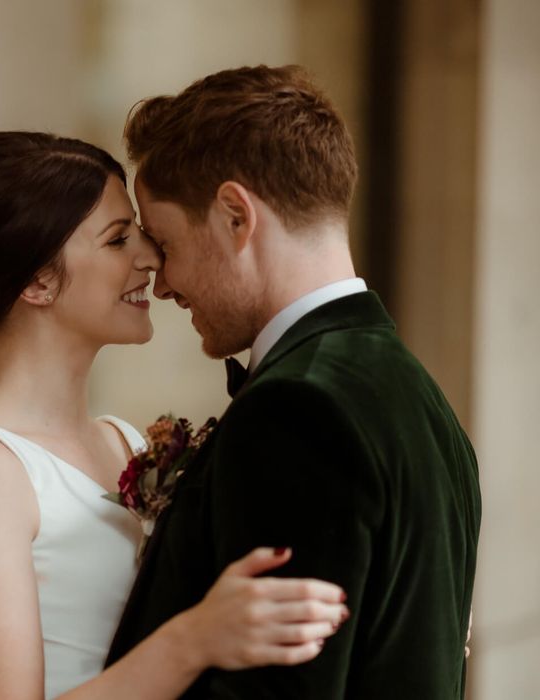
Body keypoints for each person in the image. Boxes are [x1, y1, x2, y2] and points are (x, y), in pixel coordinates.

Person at [0, 132, 351, 700]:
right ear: (38, 281)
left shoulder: (123, 443)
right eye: (119, 240)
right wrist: (194, 641)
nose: (151, 258)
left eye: (140, 233)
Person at [106, 65, 481, 699]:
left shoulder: (297, 411)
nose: (161, 282)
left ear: (235, 216)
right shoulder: (423, 400)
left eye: (165, 243)